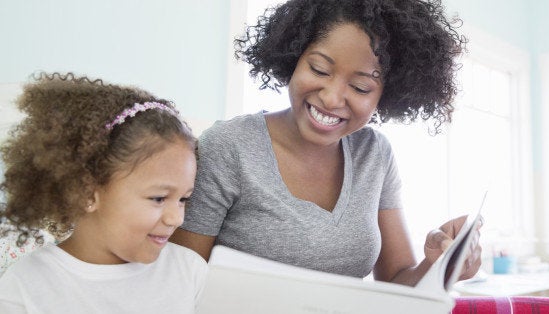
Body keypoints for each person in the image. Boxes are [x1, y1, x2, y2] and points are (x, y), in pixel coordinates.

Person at [171, 0, 481, 286]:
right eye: (319, 69)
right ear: (293, 58)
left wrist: (440, 264)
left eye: (361, 87)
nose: (331, 98)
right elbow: (181, 280)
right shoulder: (228, 146)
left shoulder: (375, 154)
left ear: (386, 95)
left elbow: (396, 283)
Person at [0, 73, 206, 313]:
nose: (176, 218)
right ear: (87, 191)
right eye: (159, 198)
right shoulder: (24, 285)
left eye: (183, 199)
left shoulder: (190, 272)